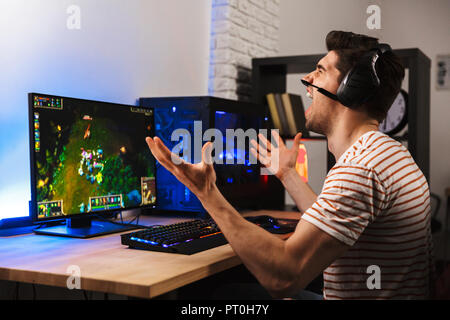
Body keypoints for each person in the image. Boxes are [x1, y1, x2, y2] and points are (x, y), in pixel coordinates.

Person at [145, 30, 434, 300]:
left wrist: (207, 193)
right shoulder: (388, 154)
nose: (308, 80)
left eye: (320, 71)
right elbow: (332, 224)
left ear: (351, 89)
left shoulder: (361, 169)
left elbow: (284, 276)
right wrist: (287, 174)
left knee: (215, 294)